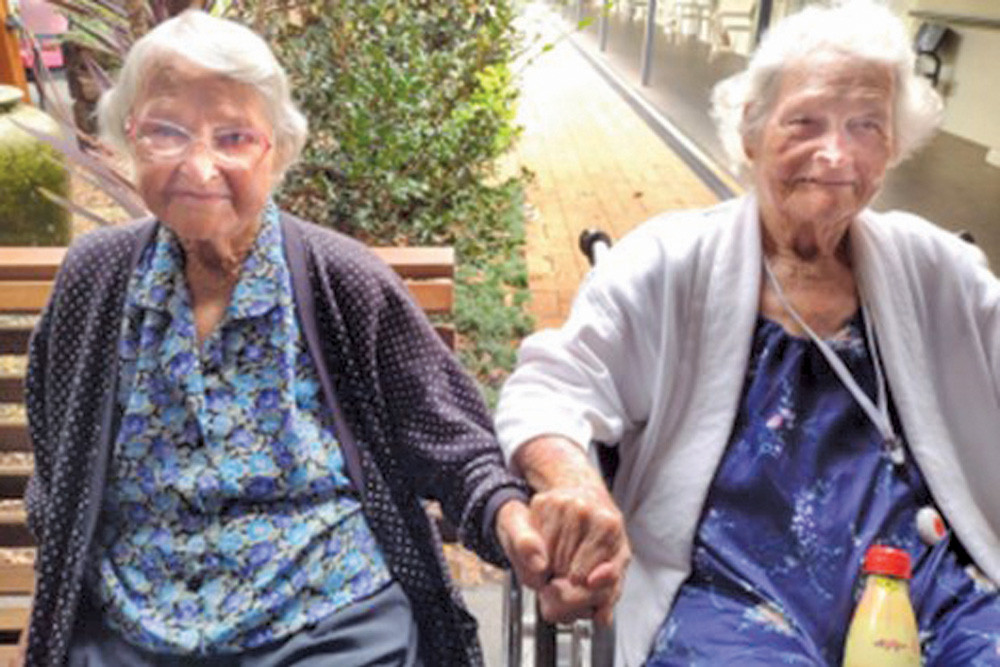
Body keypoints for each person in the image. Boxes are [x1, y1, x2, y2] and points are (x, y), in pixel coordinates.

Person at [21, 10, 533, 666]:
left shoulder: (342, 279)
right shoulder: (95, 280)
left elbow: (456, 446)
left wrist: (515, 524)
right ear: (129, 138)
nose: (199, 166)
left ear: (277, 149)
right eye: (166, 132)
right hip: (133, 626)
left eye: (233, 137)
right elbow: (59, 466)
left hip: (327, 619)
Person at [496, 2, 1000, 665]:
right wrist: (574, 483)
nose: (836, 153)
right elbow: (549, 387)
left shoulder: (941, 271)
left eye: (866, 126)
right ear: (753, 130)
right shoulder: (669, 261)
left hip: (924, 583)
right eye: (806, 122)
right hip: (730, 592)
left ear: (894, 146)